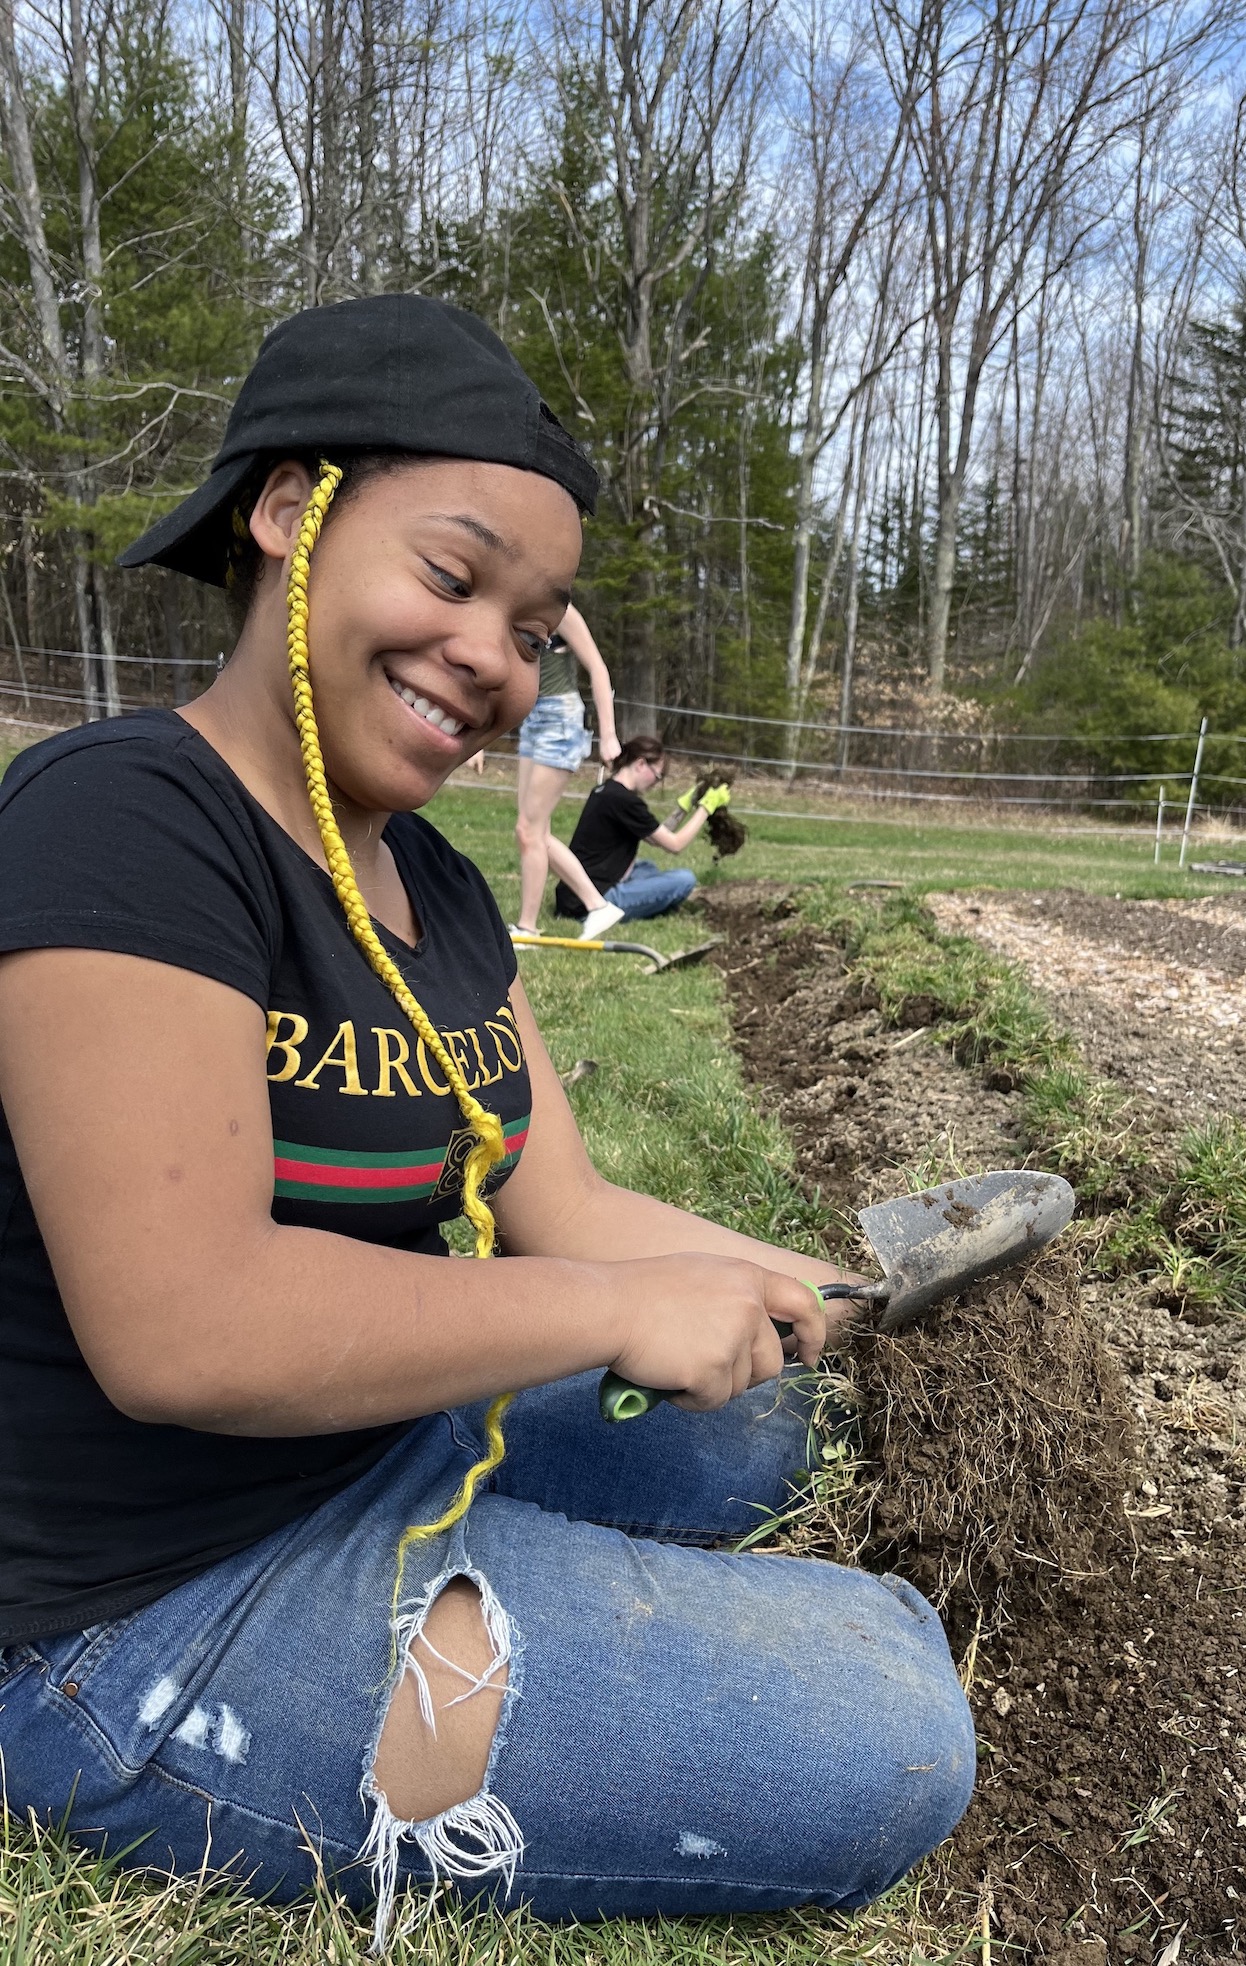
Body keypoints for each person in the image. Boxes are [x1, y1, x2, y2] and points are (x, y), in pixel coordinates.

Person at [0, 294, 974, 1946]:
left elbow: (565, 1208)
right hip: (137, 1597)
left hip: (375, 1435)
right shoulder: (124, 820)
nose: (493, 660)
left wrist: (835, 1290)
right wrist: (607, 1312)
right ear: (288, 511)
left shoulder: (436, 890)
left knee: (775, 1416)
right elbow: (185, 1327)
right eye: (452, 578)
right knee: (888, 1731)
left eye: (530, 627)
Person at [507, 602, 623, 940]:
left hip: (560, 721)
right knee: (532, 832)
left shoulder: (562, 611)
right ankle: (598, 906)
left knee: (529, 830)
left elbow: (598, 668)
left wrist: (609, 735)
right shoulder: (518, 602)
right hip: (533, 720)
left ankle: (527, 929)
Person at [554, 735, 727, 923]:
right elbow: (675, 845)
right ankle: (628, 905)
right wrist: (706, 808)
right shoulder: (625, 801)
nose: (655, 784)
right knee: (685, 879)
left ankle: (654, 898)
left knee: (647, 868)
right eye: (657, 776)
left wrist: (684, 808)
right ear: (641, 764)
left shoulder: (606, 791)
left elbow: (655, 838)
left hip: (573, 893)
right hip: (592, 902)